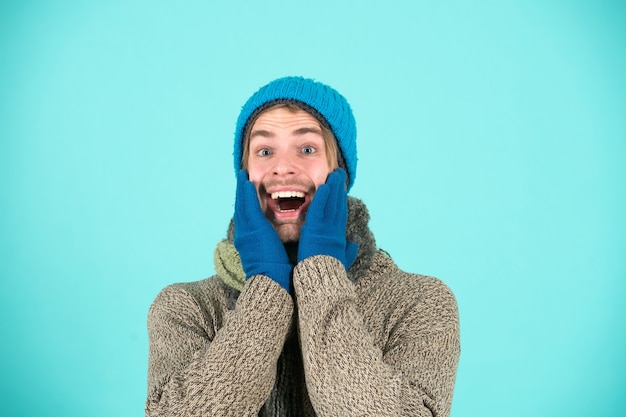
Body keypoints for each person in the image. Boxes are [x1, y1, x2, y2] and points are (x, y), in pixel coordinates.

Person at [145, 76, 460, 417]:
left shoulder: (418, 302)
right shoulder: (186, 308)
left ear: (339, 172)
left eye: (307, 149)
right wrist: (265, 286)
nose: (282, 167)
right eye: (264, 151)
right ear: (244, 174)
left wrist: (322, 270)